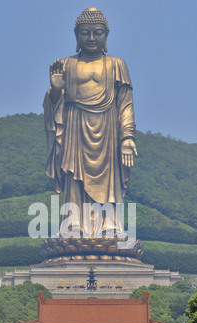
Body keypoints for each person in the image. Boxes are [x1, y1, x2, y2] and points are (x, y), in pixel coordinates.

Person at [44, 7, 137, 237]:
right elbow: (53, 104)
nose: (92, 38)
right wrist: (55, 92)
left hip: (108, 128)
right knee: (73, 176)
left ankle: (110, 225)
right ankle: (73, 224)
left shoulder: (117, 64)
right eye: (85, 33)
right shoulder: (66, 64)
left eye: (98, 33)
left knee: (109, 178)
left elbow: (125, 104)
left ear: (107, 35)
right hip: (74, 125)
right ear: (77, 36)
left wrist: (126, 137)